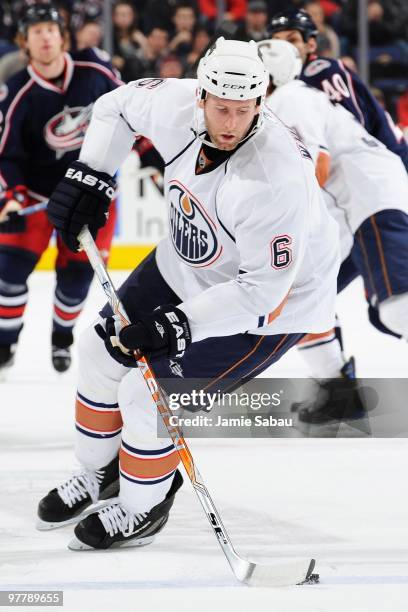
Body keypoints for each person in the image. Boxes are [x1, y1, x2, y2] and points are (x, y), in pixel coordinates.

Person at [37, 37, 340, 550]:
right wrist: (92, 174)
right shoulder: (176, 103)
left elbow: (262, 291)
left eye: (243, 111)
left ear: (261, 103)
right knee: (98, 351)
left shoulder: (276, 177)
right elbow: (114, 106)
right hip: (188, 260)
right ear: (200, 96)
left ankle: (142, 507)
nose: (229, 123)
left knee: (147, 396)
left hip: (272, 305)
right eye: (220, 108)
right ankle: (98, 472)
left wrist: (176, 325)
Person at [260, 39, 408, 424]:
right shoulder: (277, 104)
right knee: (296, 296)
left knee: (398, 308)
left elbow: (316, 167)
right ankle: (339, 392)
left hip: (367, 196)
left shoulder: (291, 97)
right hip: (344, 209)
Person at [0, 3, 121, 374]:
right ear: (25, 42)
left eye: (51, 29)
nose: (46, 37)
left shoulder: (97, 71)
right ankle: (6, 341)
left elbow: (134, 112)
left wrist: (150, 154)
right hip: (36, 196)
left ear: (62, 35)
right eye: (36, 31)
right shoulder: (17, 90)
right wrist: (11, 197)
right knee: (7, 274)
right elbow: (6, 154)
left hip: (91, 195)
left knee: (76, 279)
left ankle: (62, 338)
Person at [267, 8, 408, 170]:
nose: (283, 47)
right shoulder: (277, 81)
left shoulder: (323, 71)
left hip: (388, 157)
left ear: (311, 44)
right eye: (277, 40)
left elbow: (355, 128)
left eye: (292, 40)